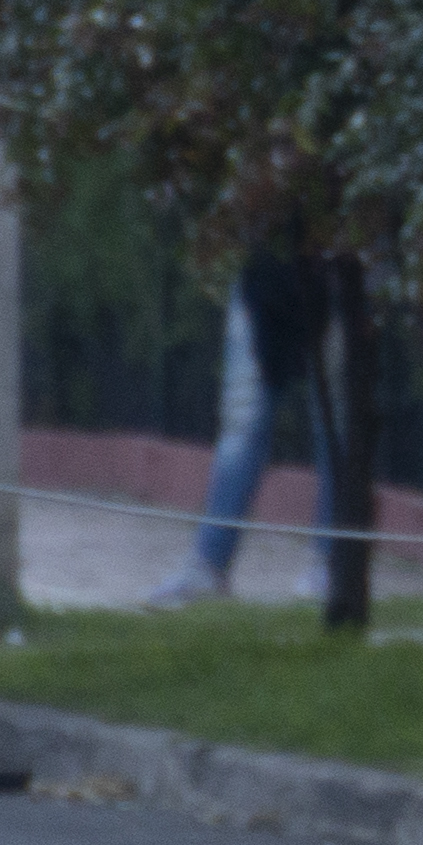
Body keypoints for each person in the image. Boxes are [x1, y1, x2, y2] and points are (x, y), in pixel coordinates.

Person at [145, 248, 330, 608]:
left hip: (336, 261)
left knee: (338, 423)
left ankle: (334, 566)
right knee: (243, 422)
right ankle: (208, 567)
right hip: (262, 266)